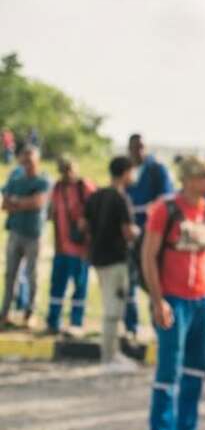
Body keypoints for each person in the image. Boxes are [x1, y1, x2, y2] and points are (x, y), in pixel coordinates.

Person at [143, 156, 205, 430]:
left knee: (195, 370)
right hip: (173, 301)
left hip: (203, 301)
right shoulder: (165, 210)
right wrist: (158, 301)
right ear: (189, 179)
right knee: (168, 372)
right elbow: (148, 256)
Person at [82, 157, 140, 371]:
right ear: (125, 172)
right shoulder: (121, 198)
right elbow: (128, 232)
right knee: (113, 309)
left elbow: (83, 225)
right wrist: (140, 233)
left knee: (110, 305)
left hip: (97, 258)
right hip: (116, 259)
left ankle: (112, 353)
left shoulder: (95, 195)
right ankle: (109, 357)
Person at [125, 133, 175, 337]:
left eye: (142, 147)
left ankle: (159, 328)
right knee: (129, 283)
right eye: (134, 147)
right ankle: (131, 327)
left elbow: (166, 200)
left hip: (152, 236)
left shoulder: (157, 169)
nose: (138, 151)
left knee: (153, 283)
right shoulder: (127, 170)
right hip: (129, 236)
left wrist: (142, 213)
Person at [1, 146, 50, 328]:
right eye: (24, 161)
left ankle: (30, 313)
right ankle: (5, 313)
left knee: (32, 275)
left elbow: (37, 203)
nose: (27, 164)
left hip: (34, 234)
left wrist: (16, 202)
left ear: (37, 161)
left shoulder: (43, 180)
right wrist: (21, 203)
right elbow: (4, 204)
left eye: (30, 161)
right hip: (15, 232)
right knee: (10, 275)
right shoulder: (15, 179)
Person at [46, 158, 94, 336]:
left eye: (69, 169)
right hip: (62, 247)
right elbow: (54, 216)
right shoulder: (57, 188)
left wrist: (86, 226)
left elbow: (95, 210)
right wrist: (56, 244)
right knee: (57, 286)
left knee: (79, 287)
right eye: (63, 169)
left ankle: (76, 322)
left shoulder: (83, 187)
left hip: (80, 248)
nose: (66, 173)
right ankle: (53, 321)